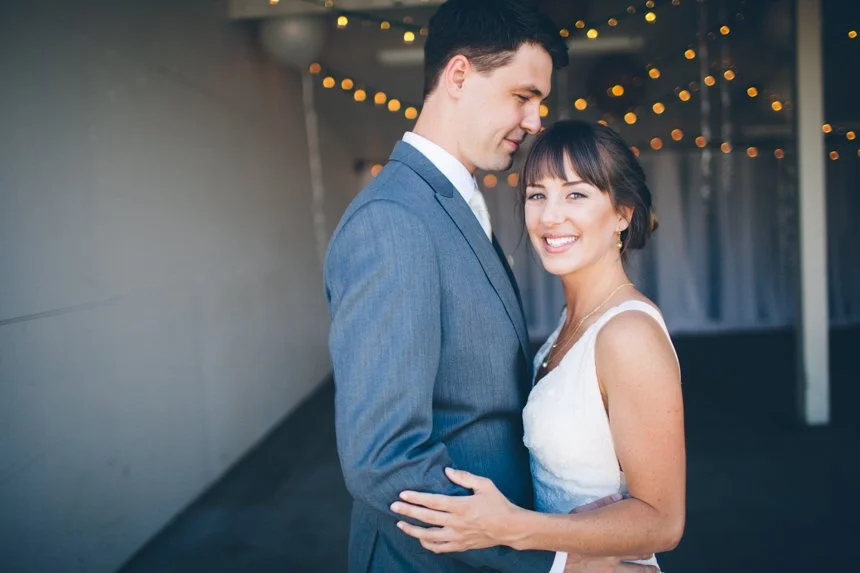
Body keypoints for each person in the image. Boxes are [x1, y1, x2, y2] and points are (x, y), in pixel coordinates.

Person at [323, 0, 585, 571]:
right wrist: (544, 558)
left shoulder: (452, 200)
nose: (535, 121)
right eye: (523, 96)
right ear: (459, 75)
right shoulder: (393, 220)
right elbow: (384, 458)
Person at [390, 120, 686, 571]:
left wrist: (513, 527)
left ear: (622, 214)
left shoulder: (628, 335)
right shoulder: (572, 319)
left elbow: (662, 521)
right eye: (536, 195)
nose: (550, 217)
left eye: (576, 194)